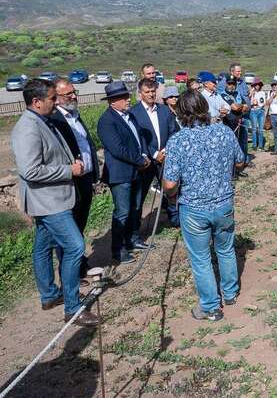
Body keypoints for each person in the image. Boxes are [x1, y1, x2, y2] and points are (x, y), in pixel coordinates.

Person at [11, 79, 98, 326]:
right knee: (74, 247)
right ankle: (73, 307)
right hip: (50, 202)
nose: (56, 101)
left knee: (42, 246)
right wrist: (68, 170)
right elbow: (31, 171)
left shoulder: (42, 120)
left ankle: (49, 295)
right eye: (52, 98)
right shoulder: (27, 128)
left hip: (52, 198)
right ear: (36, 102)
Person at [163, 90, 245, 321]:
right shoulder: (224, 132)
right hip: (223, 203)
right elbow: (240, 161)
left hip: (194, 208)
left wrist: (171, 196)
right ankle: (229, 293)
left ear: (181, 113)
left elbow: (170, 183)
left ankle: (210, 307)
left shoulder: (178, 141)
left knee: (200, 258)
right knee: (226, 249)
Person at [50, 78, 99, 281]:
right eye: (68, 94)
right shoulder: (56, 120)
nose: (73, 96)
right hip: (70, 181)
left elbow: (86, 144)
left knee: (80, 225)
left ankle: (79, 264)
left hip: (85, 177)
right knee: (69, 232)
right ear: (57, 98)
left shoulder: (74, 116)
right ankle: (70, 273)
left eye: (74, 92)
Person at [97, 81, 151, 265]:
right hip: (120, 174)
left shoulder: (130, 116)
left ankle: (133, 239)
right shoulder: (107, 121)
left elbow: (140, 138)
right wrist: (139, 160)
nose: (128, 100)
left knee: (136, 208)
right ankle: (118, 250)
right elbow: (117, 148)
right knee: (122, 212)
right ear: (112, 101)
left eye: (127, 96)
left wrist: (143, 154)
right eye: (123, 97)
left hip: (135, 171)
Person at [130, 78, 180, 227]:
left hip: (165, 157)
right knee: (140, 195)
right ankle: (134, 229)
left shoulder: (164, 110)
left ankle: (175, 218)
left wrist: (165, 150)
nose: (151, 94)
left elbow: (173, 131)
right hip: (146, 161)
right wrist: (154, 153)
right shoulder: (134, 113)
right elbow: (138, 137)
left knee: (171, 189)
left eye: (153, 91)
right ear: (140, 94)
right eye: (147, 92)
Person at [221, 74, 250, 164]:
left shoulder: (237, 94)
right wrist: (240, 106)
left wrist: (240, 106)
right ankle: (233, 166)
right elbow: (234, 108)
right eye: (229, 84)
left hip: (240, 122)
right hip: (230, 124)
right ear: (226, 84)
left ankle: (243, 162)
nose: (231, 86)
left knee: (243, 143)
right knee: (232, 145)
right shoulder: (223, 95)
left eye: (233, 84)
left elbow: (247, 107)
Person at [248, 80, 267, 151]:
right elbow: (249, 103)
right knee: (254, 129)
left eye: (258, 85)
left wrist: (258, 104)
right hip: (253, 111)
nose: (257, 86)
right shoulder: (251, 93)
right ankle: (254, 145)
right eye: (256, 85)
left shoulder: (262, 93)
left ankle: (261, 145)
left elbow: (263, 102)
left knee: (261, 129)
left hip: (261, 111)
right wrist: (251, 94)